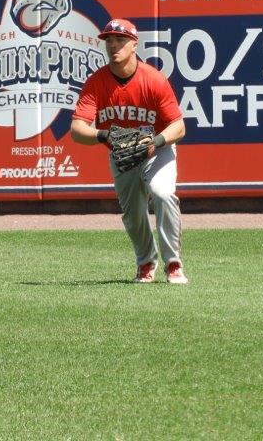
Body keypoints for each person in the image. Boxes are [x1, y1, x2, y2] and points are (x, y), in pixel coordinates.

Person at [70, 18, 188, 284]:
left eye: (120, 41)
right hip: (121, 156)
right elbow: (77, 129)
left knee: (163, 194)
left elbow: (178, 127)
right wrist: (102, 135)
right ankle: (146, 262)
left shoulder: (154, 80)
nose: (113, 46)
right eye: (109, 41)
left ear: (134, 44)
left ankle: (173, 263)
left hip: (157, 151)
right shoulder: (97, 82)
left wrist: (155, 143)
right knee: (133, 213)